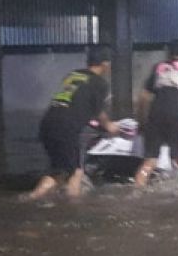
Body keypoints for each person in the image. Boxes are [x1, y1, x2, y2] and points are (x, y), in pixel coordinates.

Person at [26, 46, 121, 201]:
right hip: (66, 127)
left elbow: (77, 101)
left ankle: (31, 198)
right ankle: (73, 210)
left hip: (47, 123)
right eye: (109, 64)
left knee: (59, 171)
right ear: (105, 64)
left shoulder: (73, 75)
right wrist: (110, 126)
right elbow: (99, 113)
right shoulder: (100, 83)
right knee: (76, 172)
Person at [134, 42, 178, 187]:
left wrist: (141, 121)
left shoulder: (158, 67)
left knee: (150, 160)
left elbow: (143, 97)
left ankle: (137, 189)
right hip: (176, 115)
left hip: (154, 116)